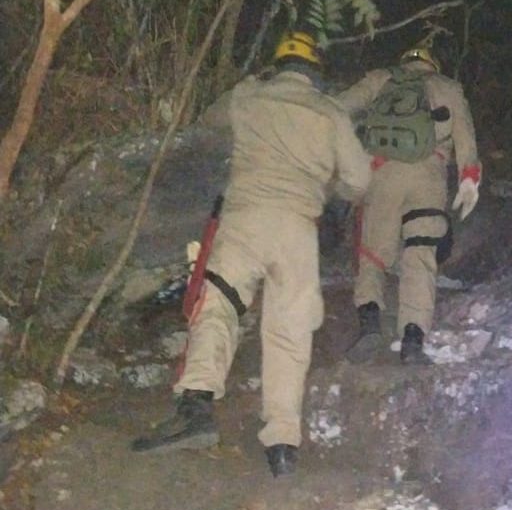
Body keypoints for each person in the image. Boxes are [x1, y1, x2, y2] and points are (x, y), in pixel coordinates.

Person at [131, 31, 371, 478]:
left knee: (217, 306)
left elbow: (207, 122)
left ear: (278, 64)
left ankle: (197, 405)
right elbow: (358, 181)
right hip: (297, 230)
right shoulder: (330, 113)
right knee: (289, 331)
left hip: (243, 222)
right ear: (316, 70)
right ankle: (282, 443)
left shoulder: (247, 97)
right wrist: (326, 188)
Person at [338, 46, 481, 365]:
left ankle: (369, 325)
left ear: (405, 62)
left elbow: (339, 107)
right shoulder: (448, 87)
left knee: (372, 255)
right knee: (420, 252)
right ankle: (413, 340)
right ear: (432, 65)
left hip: (382, 175)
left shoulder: (380, 79)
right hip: (428, 178)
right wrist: (469, 179)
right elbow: (465, 138)